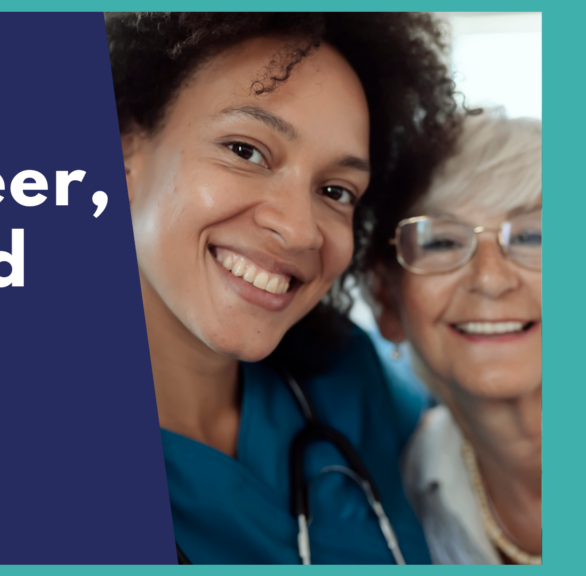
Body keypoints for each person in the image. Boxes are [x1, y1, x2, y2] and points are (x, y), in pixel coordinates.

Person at [107, 12, 462, 564]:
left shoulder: (343, 372)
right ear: (125, 149)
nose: (299, 230)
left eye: (336, 190)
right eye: (245, 151)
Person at [363, 111, 542, 564]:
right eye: (440, 241)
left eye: (533, 236)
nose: (490, 278)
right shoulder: (409, 483)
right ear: (386, 300)